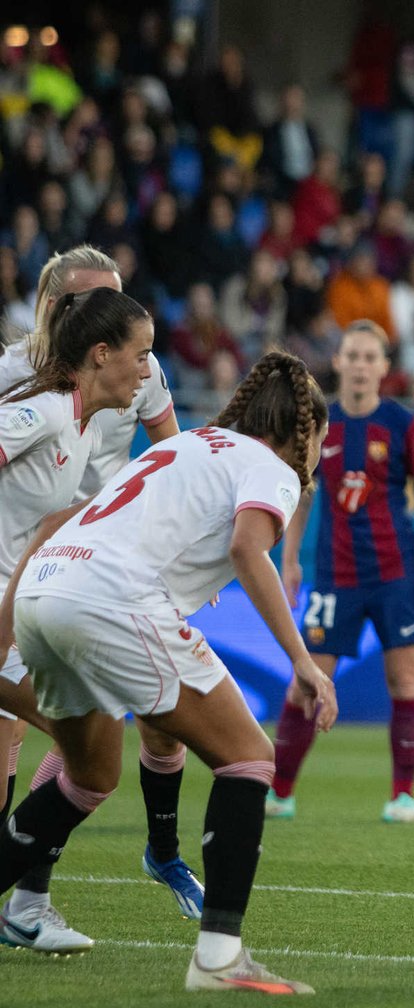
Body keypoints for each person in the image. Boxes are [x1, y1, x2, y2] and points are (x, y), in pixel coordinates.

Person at [0, 351, 335, 994]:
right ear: (304, 433)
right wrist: (301, 661)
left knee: (89, 776)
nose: (317, 456)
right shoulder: (273, 467)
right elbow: (246, 548)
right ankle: (218, 958)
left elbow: (56, 525)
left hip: (45, 590)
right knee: (248, 758)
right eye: (319, 441)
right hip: (112, 600)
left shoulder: (181, 449)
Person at [0, 247, 200, 943]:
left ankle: (25, 904)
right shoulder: (46, 405)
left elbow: (55, 517)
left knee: (85, 737)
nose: (146, 367)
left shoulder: (78, 416)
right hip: (23, 598)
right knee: (81, 742)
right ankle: (24, 903)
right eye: (134, 349)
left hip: (50, 589)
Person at [266, 321, 414, 824]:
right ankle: (278, 793)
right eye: (354, 356)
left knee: (405, 678)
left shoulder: (404, 424)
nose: (362, 365)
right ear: (339, 362)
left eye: (372, 357)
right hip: (336, 574)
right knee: (307, 680)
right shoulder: (321, 423)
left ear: (385, 367)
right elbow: (303, 495)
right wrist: (290, 559)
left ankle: (402, 797)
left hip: (396, 573)